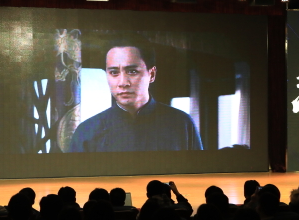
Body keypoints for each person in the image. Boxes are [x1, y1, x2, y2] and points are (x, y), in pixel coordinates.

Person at [68, 35, 203, 152]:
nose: (123, 82)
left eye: (132, 71)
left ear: (152, 74)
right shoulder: (87, 131)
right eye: (114, 72)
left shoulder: (182, 124)